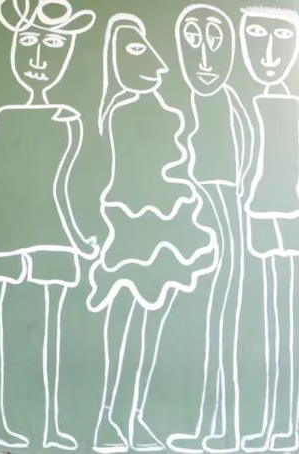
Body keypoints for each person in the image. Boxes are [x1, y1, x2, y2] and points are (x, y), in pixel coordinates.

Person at [0, 0, 96, 450]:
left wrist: (76, 239)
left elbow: (57, 188)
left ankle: (46, 425)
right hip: (5, 234)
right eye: (28, 44)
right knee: (4, 330)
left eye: (53, 46)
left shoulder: (66, 120)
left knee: (47, 331)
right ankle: (3, 424)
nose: (38, 59)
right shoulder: (6, 116)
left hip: (41, 235)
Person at [89, 13, 217, 453]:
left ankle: (129, 415)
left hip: (162, 224)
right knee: (128, 315)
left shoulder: (151, 108)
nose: (156, 64)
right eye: (134, 50)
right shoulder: (121, 112)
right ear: (115, 60)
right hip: (133, 224)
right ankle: (113, 417)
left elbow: (170, 163)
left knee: (146, 320)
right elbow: (122, 170)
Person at [168, 5, 254, 452]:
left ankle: (222, 427)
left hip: (226, 209)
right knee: (214, 315)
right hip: (202, 211)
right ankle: (214, 425)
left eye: (216, 41)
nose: (204, 58)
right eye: (192, 41)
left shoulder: (230, 101)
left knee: (225, 316)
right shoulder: (184, 103)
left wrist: (240, 194)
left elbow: (251, 151)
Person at [238, 7, 299, 452]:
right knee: (269, 315)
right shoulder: (246, 102)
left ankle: (283, 424)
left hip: (288, 214)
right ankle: (272, 425)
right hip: (259, 211)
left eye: (283, 38)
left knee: (285, 315)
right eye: (257, 35)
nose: (270, 53)